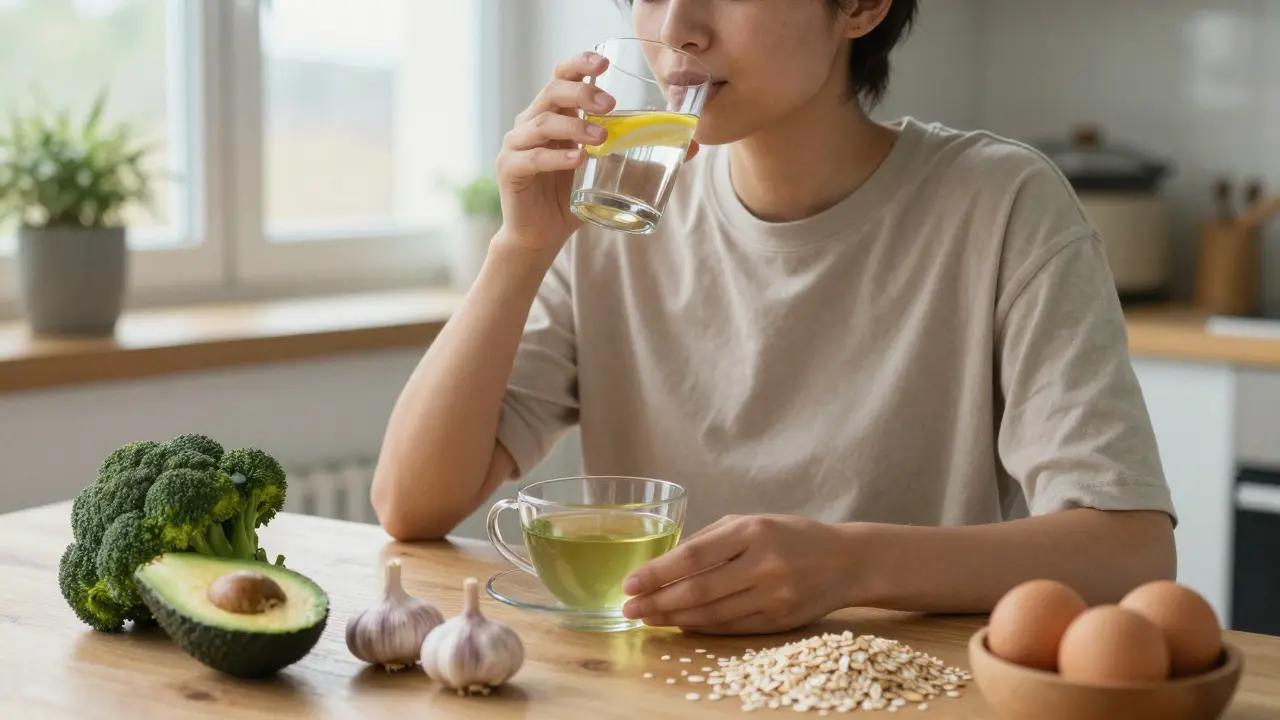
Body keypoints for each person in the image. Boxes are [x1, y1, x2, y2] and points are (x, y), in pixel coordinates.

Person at [371, 0, 1178, 636]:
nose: (677, 29)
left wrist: (851, 564)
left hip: (909, 691)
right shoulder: (617, 213)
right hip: (655, 684)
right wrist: (520, 247)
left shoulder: (1002, 204)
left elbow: (1131, 553)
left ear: (860, 6)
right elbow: (411, 503)